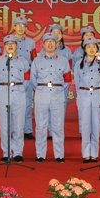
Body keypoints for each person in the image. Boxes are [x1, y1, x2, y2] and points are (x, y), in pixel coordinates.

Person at [30, 32, 71, 163]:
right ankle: (40, 155)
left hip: (58, 95)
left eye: (52, 41)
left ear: (57, 44)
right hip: (42, 94)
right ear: (43, 44)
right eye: (47, 41)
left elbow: (67, 79)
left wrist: (59, 90)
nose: (50, 44)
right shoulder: (37, 60)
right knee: (40, 126)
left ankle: (59, 155)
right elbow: (32, 79)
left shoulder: (63, 60)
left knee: (58, 126)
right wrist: (41, 89)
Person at [0, 34, 31, 163]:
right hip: (3, 92)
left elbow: (27, 79)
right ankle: (6, 152)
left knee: (19, 124)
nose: (10, 45)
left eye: (12, 43)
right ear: (4, 46)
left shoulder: (23, 61)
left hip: (19, 92)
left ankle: (18, 152)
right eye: (7, 43)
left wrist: (19, 88)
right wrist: (3, 89)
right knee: (4, 125)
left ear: (17, 45)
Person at [74, 37, 100, 163]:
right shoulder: (79, 64)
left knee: (96, 125)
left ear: (97, 48)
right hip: (84, 95)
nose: (91, 49)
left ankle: (94, 154)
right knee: (85, 125)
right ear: (84, 49)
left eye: (94, 46)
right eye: (88, 46)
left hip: (97, 95)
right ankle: (85, 154)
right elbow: (77, 83)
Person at [12, 16, 37, 140]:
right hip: (14, 77)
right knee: (13, 105)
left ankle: (27, 130)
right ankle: (14, 130)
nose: (20, 28)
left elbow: (34, 60)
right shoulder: (10, 41)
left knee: (27, 104)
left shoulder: (31, 42)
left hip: (27, 77)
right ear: (14, 27)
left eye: (23, 26)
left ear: (26, 28)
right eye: (18, 25)